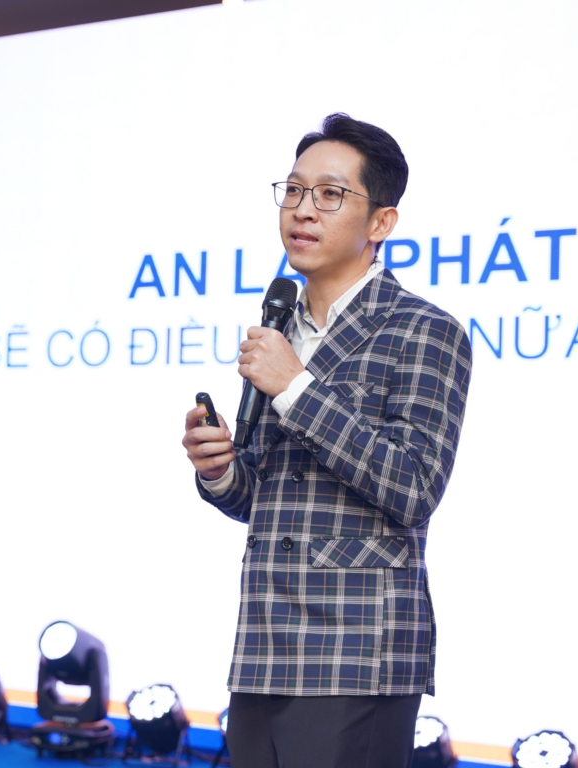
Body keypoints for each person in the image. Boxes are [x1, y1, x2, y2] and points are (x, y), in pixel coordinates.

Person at [181, 113, 472, 768]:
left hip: (358, 651)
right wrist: (220, 470)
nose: (303, 209)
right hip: (263, 647)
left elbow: (413, 486)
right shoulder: (279, 328)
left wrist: (296, 388)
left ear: (381, 222)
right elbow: (269, 499)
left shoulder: (424, 330)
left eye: (330, 194)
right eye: (293, 190)